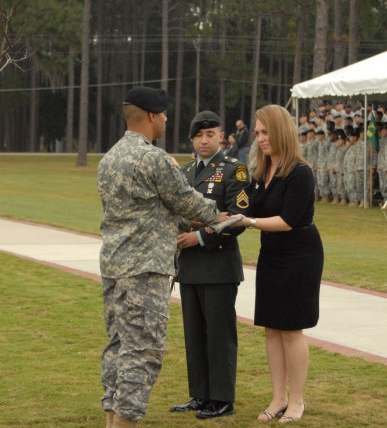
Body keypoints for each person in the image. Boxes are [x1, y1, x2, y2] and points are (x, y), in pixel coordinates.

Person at [97, 86, 228, 428]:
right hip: (145, 270)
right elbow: (186, 200)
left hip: (115, 266)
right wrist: (220, 215)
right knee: (143, 354)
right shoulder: (153, 158)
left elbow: (152, 209)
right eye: (165, 114)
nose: (168, 120)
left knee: (119, 348)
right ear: (152, 117)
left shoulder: (109, 157)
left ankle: (112, 422)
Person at [233, 104, 323, 424]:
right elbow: (243, 203)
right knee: (271, 328)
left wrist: (248, 221)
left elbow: (287, 220)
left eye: (265, 132)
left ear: (280, 131)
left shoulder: (300, 172)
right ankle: (278, 397)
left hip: (300, 255)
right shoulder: (260, 171)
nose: (259, 138)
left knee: (290, 330)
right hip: (271, 254)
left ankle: (297, 400)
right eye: (257, 133)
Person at [170, 111, 250, 419]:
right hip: (189, 267)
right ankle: (200, 395)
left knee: (219, 335)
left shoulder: (234, 170)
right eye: (199, 136)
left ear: (222, 137)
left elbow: (238, 219)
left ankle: (222, 398)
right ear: (191, 140)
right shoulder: (186, 172)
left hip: (218, 264)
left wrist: (200, 236)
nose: (205, 140)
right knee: (195, 334)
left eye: (211, 135)